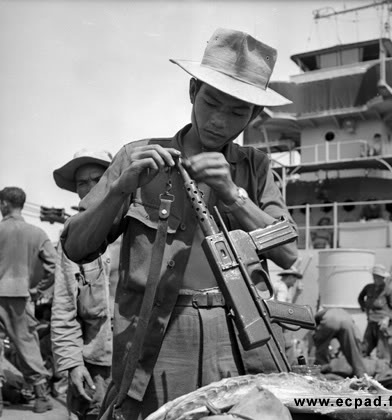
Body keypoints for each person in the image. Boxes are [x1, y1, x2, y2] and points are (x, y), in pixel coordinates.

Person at [61, 28, 297, 419]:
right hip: (158, 333)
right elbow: (76, 247)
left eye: (238, 111)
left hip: (240, 333)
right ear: (192, 91)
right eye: (211, 103)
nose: (219, 121)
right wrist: (120, 190)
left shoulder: (256, 168)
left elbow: (288, 253)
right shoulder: (137, 158)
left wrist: (232, 192)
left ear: (254, 115)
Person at [51, 149, 116, 420]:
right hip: (96, 363)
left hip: (143, 359)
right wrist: (72, 364)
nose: (90, 188)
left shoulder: (140, 223)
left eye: (98, 179)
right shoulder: (72, 236)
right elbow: (64, 306)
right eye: (82, 183)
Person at [0, 186, 56, 413]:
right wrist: (36, 289)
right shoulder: (38, 233)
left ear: (4, 204)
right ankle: (41, 398)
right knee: (27, 344)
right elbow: (53, 266)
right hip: (21, 297)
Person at [358, 264, 392, 364]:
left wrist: (387, 319)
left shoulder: (388, 291)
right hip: (371, 322)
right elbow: (360, 298)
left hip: (382, 325)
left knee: (382, 351)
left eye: (379, 277)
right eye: (375, 276)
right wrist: (364, 308)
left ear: (383, 278)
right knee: (364, 347)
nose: (377, 279)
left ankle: (383, 370)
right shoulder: (368, 288)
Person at [312, 307, 367, 378]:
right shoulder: (345, 313)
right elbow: (352, 339)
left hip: (330, 321)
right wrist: (343, 347)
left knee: (321, 344)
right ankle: (360, 373)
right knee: (352, 349)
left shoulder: (321, 313)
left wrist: (317, 336)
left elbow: (315, 326)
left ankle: (322, 367)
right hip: (347, 322)